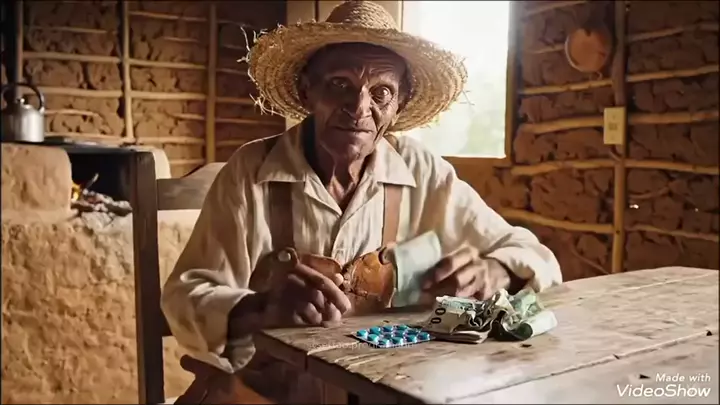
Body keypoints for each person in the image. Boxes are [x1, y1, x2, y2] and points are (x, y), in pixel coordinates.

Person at [161, 1, 562, 403]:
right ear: (307, 90)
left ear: (399, 104)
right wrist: (262, 308)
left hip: (386, 391)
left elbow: (534, 256)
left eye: (381, 92)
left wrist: (495, 271)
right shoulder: (251, 171)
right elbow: (185, 296)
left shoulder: (422, 171)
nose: (358, 108)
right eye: (340, 85)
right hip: (267, 395)